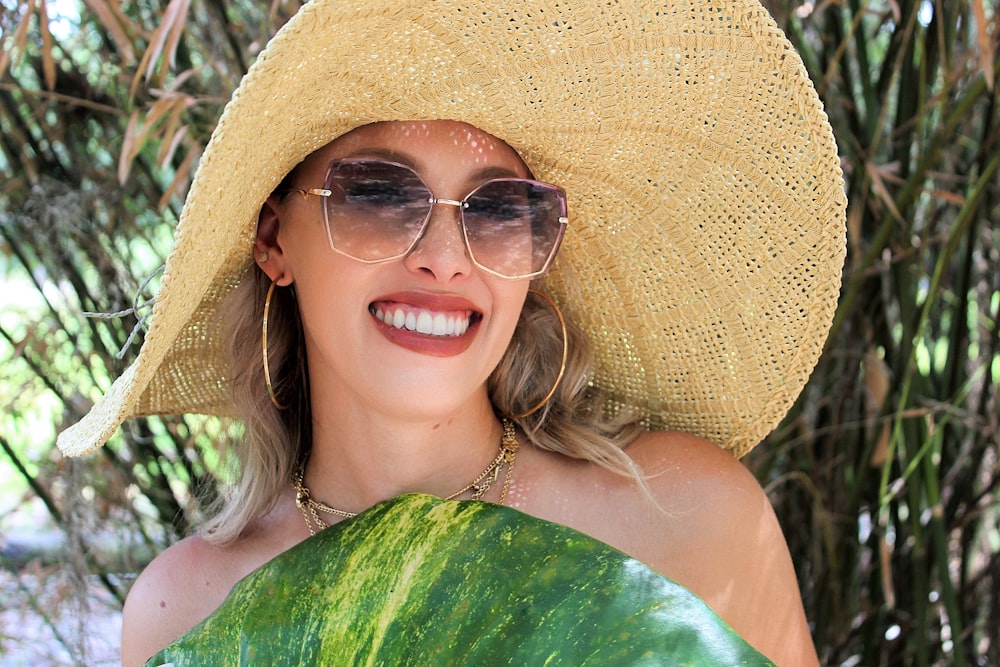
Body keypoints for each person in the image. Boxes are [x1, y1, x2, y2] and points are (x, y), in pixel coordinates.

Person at [57, 0, 846, 665]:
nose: (443, 259)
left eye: (501, 210)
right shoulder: (182, 614)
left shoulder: (689, 515)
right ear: (273, 240)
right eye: (375, 195)